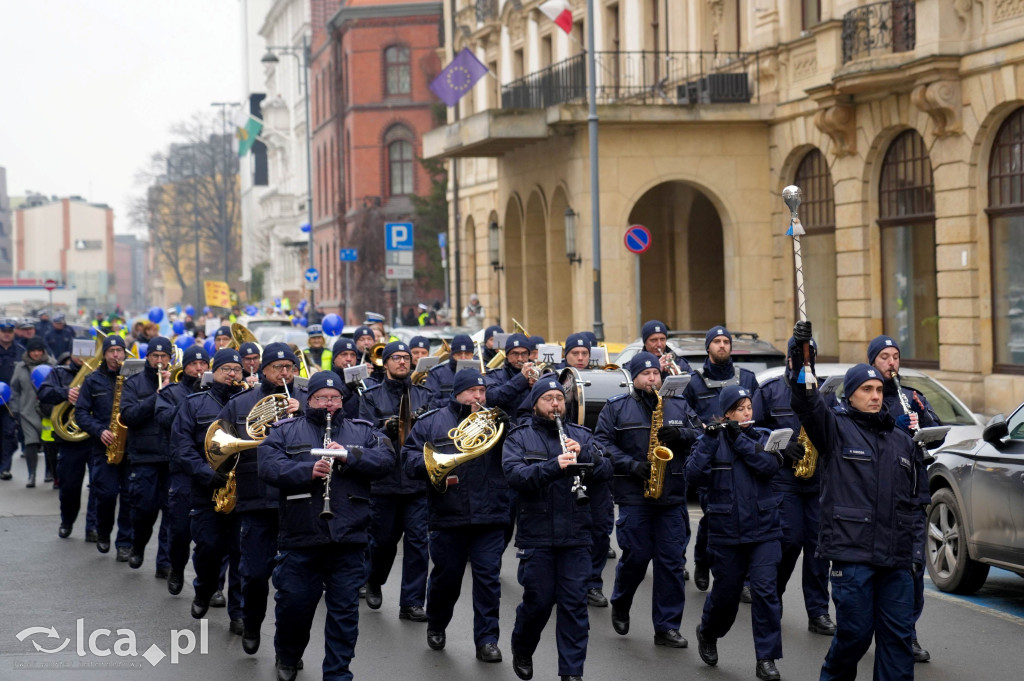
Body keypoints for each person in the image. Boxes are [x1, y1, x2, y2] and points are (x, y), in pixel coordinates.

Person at [789, 323, 927, 681]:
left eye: (879, 389)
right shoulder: (834, 429)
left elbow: (915, 502)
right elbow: (805, 399)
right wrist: (800, 353)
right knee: (855, 636)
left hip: (896, 560)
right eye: (866, 389)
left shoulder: (902, 441)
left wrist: (913, 554)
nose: (875, 395)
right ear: (850, 395)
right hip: (853, 557)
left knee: (898, 641)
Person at [259, 370, 395, 681]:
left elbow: (387, 460)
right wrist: (306, 471)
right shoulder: (285, 430)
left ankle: (337, 672)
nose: (329, 404)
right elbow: (268, 465)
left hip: (349, 535)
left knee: (344, 612)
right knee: (295, 604)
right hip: (301, 533)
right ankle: (289, 655)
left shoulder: (362, 430)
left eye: (335, 399)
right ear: (310, 400)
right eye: (322, 398)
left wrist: (350, 456)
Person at [503, 378, 612, 681]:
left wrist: (586, 456)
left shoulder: (581, 435)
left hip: (576, 533)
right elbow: (516, 476)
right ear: (536, 403)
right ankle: (523, 647)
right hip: (537, 534)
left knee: (574, 605)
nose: (556, 404)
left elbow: (607, 470)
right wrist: (555, 465)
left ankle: (571, 673)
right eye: (548, 399)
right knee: (538, 602)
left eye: (559, 399)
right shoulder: (520, 437)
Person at [595, 352, 700, 649]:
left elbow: (701, 434)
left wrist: (679, 434)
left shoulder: (677, 403)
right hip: (634, 495)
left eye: (656, 373)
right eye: (646, 374)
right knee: (637, 557)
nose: (653, 378)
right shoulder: (617, 408)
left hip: (672, 495)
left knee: (670, 563)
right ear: (634, 377)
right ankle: (622, 601)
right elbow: (601, 443)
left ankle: (667, 627)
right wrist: (631, 465)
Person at [404, 369, 511, 662]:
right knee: (446, 578)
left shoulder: (496, 422)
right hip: (448, 512)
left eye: (482, 391)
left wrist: (508, 428)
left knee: (488, 580)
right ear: (457, 392)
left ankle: (487, 640)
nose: (478, 397)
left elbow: (516, 454)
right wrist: (434, 469)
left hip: (490, 513)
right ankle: (437, 622)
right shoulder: (433, 422)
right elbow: (410, 459)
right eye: (472, 391)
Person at [688, 386, 784, 681]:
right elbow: (692, 476)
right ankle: (708, 631)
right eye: (740, 409)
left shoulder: (762, 436)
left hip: (764, 529)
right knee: (726, 596)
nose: (747, 413)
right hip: (726, 531)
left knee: (766, 592)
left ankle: (766, 658)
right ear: (727, 412)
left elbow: (768, 465)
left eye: (749, 408)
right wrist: (709, 437)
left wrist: (738, 437)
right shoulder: (711, 439)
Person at [219, 342, 305, 645]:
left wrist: (305, 413)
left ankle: (288, 647)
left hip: (298, 500)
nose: (284, 373)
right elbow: (222, 446)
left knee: (294, 583)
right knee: (255, 574)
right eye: (277, 367)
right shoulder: (241, 404)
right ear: (263, 369)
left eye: (289, 367)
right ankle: (251, 623)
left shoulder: (306, 398)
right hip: (256, 498)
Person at [752, 338, 835, 640]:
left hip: (818, 482)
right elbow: (753, 429)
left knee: (818, 547)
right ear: (789, 359)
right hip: (783, 480)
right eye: (799, 358)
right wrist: (781, 445)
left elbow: (839, 428)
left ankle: (818, 612)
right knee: (788, 541)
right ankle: (771, 598)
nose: (804, 363)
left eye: (809, 358)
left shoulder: (826, 391)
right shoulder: (770, 390)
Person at [867, 334, 940, 664]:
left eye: (895, 356)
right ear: (872, 362)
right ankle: (866, 628)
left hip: (912, 495)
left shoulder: (912, 397)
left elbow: (938, 434)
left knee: (913, 570)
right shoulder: (862, 399)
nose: (891, 362)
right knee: (873, 572)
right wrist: (893, 427)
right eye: (884, 356)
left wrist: (922, 423)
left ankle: (906, 634)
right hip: (874, 500)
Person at [171, 348, 247, 628]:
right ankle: (204, 589)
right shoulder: (193, 404)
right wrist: (207, 474)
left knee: (241, 553)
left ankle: (238, 613)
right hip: (206, 490)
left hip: (242, 491)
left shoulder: (250, 402)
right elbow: (181, 448)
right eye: (226, 369)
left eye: (237, 370)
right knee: (209, 548)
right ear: (212, 373)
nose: (232, 374)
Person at [359, 342, 433, 620]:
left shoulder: (424, 395)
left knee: (417, 543)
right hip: (384, 481)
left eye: (406, 358)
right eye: (396, 358)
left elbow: (435, 430)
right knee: (383, 542)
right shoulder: (371, 397)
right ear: (385, 363)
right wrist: (385, 428)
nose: (403, 362)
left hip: (415, 480)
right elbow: (363, 433)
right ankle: (374, 580)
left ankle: (412, 602)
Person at [684, 325, 760, 593]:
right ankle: (703, 561)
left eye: (726, 341)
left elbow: (757, 417)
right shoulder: (694, 382)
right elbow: (687, 419)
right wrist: (702, 438)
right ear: (708, 347)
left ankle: (747, 580)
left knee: (748, 517)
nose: (722, 345)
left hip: (744, 455)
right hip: (711, 458)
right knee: (713, 516)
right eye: (716, 341)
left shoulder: (747, 378)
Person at [559, 333, 612, 607]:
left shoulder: (602, 381)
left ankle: (593, 583)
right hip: (563, 461)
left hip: (594, 457)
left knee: (600, 528)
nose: (581, 358)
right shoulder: (555, 382)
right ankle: (565, 581)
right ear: (565, 356)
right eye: (575, 354)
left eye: (584, 354)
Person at [154, 346, 210, 590]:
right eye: (193, 364)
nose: (199, 369)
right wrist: (191, 400)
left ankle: (212, 585)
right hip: (183, 470)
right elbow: (165, 420)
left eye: (203, 364)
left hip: (210, 469)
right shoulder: (172, 392)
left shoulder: (216, 393)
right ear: (184, 367)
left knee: (212, 537)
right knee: (179, 530)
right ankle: (176, 567)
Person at [74, 335, 133, 558]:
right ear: (105, 354)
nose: (116, 355)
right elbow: (80, 413)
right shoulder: (92, 380)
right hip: (103, 446)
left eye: (119, 350)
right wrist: (100, 431)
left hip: (130, 446)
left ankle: (125, 542)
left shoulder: (133, 378)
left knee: (129, 496)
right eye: (111, 351)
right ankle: (104, 531)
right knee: (106, 494)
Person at [119, 336, 174, 573]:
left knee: (172, 515)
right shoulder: (134, 384)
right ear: (148, 358)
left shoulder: (178, 384)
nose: (159, 361)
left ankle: (165, 563)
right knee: (144, 510)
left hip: (171, 458)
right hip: (144, 458)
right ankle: (138, 546)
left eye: (164, 357)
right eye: (155, 356)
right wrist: (158, 395)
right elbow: (129, 416)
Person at [39, 350, 98, 539]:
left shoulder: (99, 374)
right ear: (71, 354)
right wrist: (66, 393)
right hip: (70, 439)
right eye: (78, 352)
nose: (83, 357)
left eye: (88, 352)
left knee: (99, 485)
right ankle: (67, 520)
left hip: (96, 437)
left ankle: (93, 527)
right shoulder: (59, 372)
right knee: (69, 486)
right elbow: (44, 393)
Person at [10, 337, 56, 487]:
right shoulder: (20, 367)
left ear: (43, 351)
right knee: (31, 443)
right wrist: (15, 409)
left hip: (48, 412)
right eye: (33, 351)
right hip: (27, 411)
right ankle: (32, 475)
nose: (36, 354)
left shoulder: (52, 365)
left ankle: (50, 472)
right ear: (28, 352)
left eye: (39, 350)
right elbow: (15, 389)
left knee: (49, 444)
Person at [424, 334, 475, 407]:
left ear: (472, 355)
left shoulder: (481, 372)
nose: (463, 358)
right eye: (459, 354)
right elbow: (430, 402)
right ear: (452, 354)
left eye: (467, 354)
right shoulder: (436, 373)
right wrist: (456, 401)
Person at [0, 319, 19, 480]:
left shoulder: (20, 351)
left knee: (8, 433)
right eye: (3, 331)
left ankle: (5, 468)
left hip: (11, 401)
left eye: (9, 332)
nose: (7, 334)